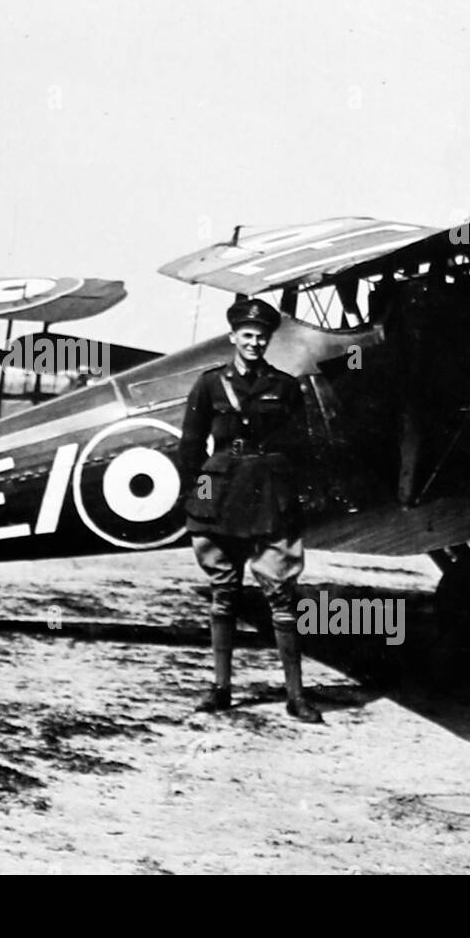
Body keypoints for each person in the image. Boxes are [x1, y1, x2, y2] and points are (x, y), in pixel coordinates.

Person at [177, 297, 323, 722]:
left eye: (262, 336)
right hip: (219, 494)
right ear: (233, 338)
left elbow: (301, 446)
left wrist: (297, 495)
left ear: (268, 339)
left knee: (281, 594)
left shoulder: (285, 385)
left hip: (269, 494)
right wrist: (197, 497)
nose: (255, 342)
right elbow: (191, 448)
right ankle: (220, 689)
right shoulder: (209, 384)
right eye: (247, 335)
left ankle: (295, 696)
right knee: (224, 594)